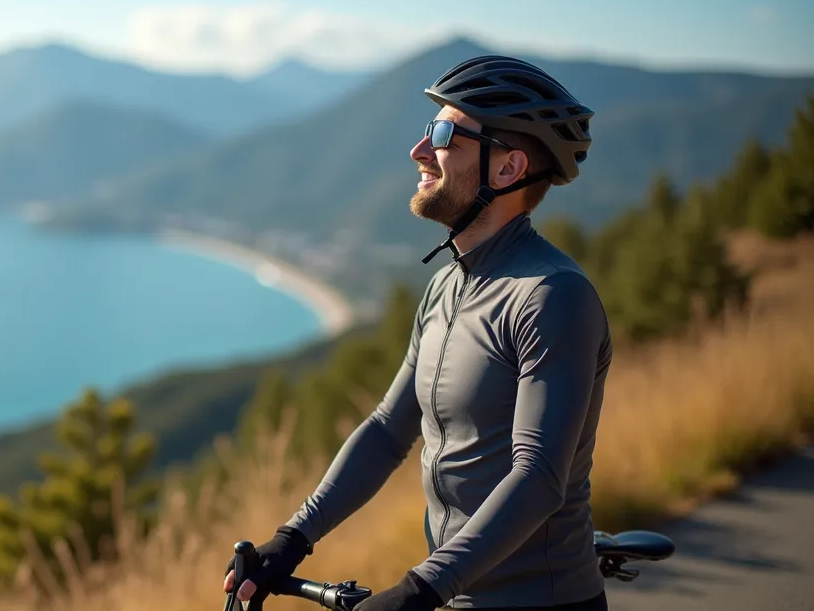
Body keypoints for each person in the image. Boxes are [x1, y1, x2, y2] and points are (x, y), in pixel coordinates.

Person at [223, 55, 611, 611]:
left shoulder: (551, 296)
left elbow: (539, 477)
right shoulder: (446, 285)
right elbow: (387, 429)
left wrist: (418, 589)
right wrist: (291, 540)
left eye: (445, 133)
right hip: (453, 596)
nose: (420, 150)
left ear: (507, 169)